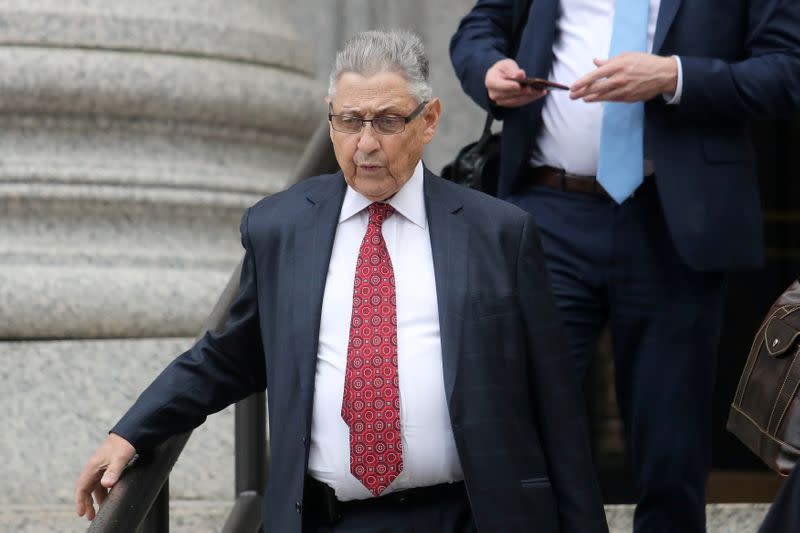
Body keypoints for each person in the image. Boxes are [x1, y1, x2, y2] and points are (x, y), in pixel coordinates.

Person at [75, 30, 608, 533]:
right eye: (349, 121)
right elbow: (228, 356)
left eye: (387, 121)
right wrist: (132, 431)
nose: (366, 144)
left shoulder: (499, 232)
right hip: (329, 519)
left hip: (470, 514)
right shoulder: (279, 228)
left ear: (429, 121)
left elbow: (557, 406)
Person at [450, 1, 800, 532]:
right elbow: (480, 26)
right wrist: (488, 70)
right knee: (520, 423)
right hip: (548, 213)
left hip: (674, 223)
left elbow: (788, 69)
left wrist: (674, 76)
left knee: (670, 447)